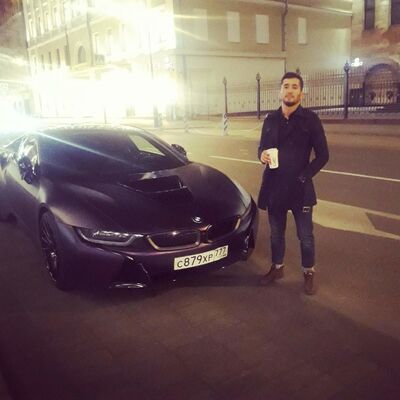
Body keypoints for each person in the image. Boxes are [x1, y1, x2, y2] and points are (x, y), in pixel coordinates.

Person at [258, 72, 329, 295]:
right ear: (280, 91)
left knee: (305, 236)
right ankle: (277, 268)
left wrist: (304, 176)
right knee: (276, 234)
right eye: (286, 86)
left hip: (300, 188)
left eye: (294, 87)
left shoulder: (310, 120)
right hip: (274, 187)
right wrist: (262, 156)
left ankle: (308, 272)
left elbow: (323, 155)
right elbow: (261, 148)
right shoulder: (270, 119)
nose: (289, 90)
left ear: (301, 93)